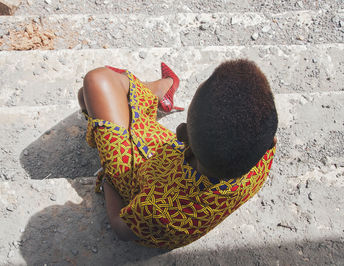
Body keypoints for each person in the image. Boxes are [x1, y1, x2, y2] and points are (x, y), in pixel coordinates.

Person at [77, 59, 278, 249]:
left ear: (181, 134)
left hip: (136, 184)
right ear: (270, 143)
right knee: (96, 94)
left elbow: (121, 228)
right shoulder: (261, 159)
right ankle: (156, 93)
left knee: (94, 83)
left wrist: (109, 181)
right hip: (170, 183)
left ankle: (157, 91)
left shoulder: (157, 209)